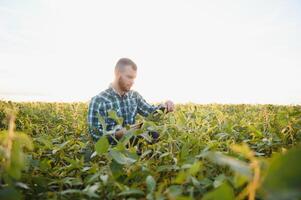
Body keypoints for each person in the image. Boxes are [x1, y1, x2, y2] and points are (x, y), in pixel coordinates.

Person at [87, 58, 174, 147]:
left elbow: (150, 112)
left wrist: (165, 106)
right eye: (129, 77)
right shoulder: (99, 100)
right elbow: (95, 136)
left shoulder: (134, 96)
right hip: (112, 149)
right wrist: (119, 133)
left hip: (132, 144)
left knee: (153, 135)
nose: (132, 82)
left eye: (134, 78)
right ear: (117, 74)